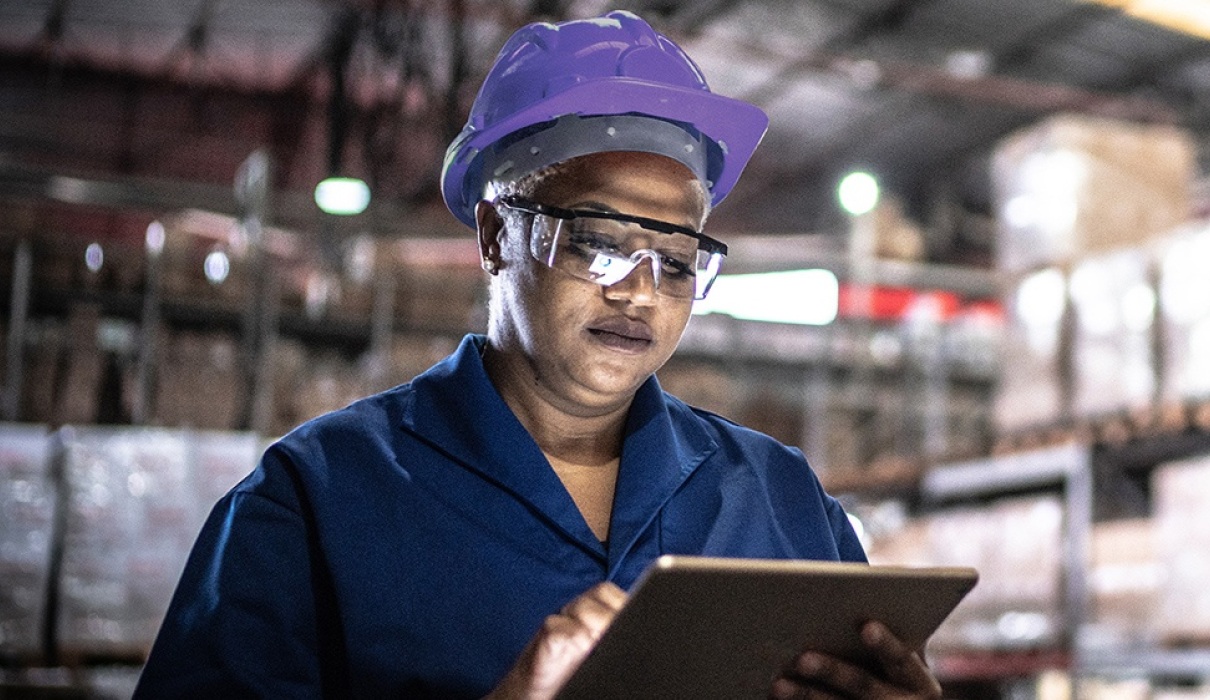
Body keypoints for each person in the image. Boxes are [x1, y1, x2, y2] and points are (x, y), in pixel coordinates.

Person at [136, 10, 943, 699]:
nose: (639, 293)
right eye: (598, 244)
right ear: (496, 236)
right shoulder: (316, 502)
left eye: (676, 259)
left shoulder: (781, 500)